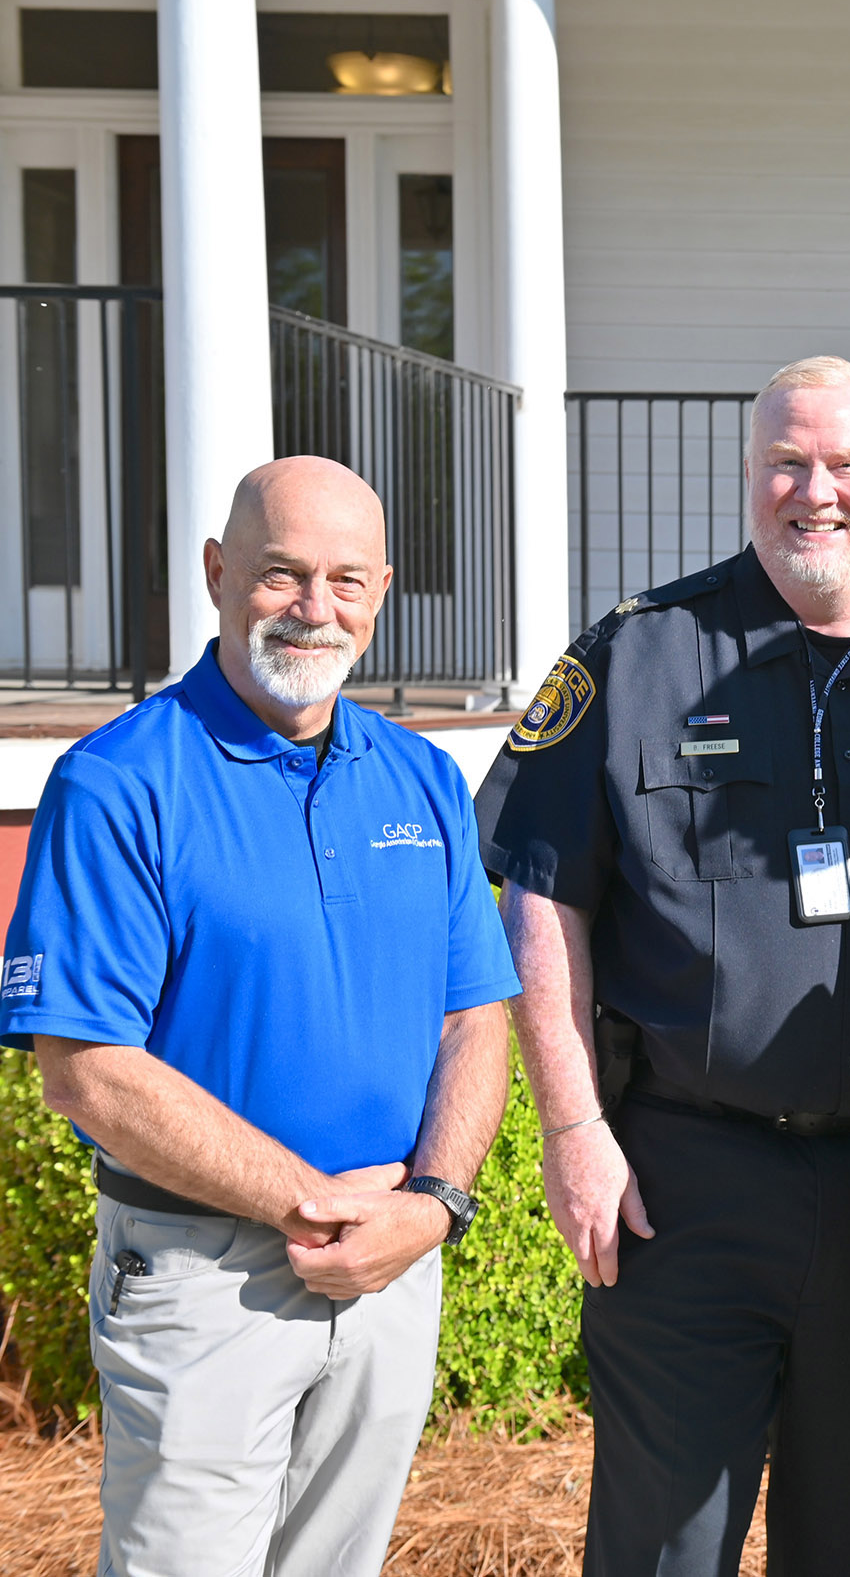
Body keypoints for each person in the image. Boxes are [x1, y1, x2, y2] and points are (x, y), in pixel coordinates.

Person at [477, 355, 850, 1577]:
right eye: (786, 463)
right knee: (659, 1546)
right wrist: (573, 1128)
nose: (815, 492)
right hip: (686, 1181)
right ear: (749, 478)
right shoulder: (641, 659)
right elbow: (542, 896)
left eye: (844, 464)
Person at [2, 457, 519, 1577]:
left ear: (380, 593)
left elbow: (475, 1017)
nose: (313, 607)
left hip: (390, 1268)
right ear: (217, 573)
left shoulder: (424, 780)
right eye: (281, 573)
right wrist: (320, 1205)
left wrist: (432, 1207)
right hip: (204, 1277)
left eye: (344, 580)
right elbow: (85, 1067)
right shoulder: (122, 782)